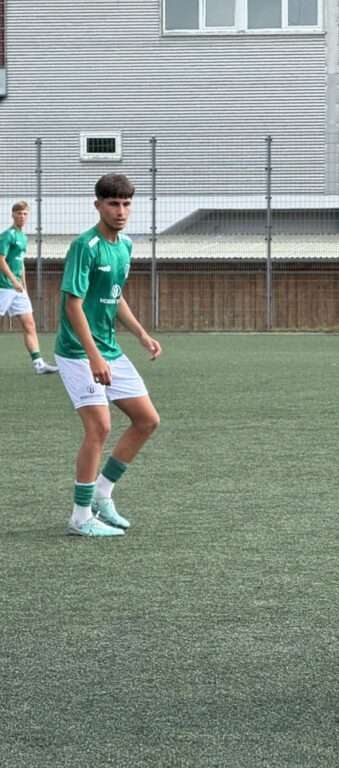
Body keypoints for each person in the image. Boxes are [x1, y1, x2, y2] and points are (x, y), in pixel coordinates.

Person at [55, 174, 161, 538]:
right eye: (113, 203)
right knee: (99, 427)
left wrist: (141, 334)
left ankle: (103, 495)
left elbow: (114, 297)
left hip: (109, 350)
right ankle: (80, 517)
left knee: (146, 420)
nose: (121, 210)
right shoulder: (85, 246)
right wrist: (93, 356)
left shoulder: (126, 246)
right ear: (97, 204)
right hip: (77, 351)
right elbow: (73, 305)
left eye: (127, 203)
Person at [0, 201, 59, 374]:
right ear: (13, 215)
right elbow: (1, 260)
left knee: (30, 325)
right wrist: (14, 281)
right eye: (19, 213)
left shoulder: (24, 238)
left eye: (25, 214)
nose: (22, 217)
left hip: (18, 290)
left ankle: (39, 364)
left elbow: (21, 263)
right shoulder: (7, 235)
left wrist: (23, 285)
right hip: (4, 287)